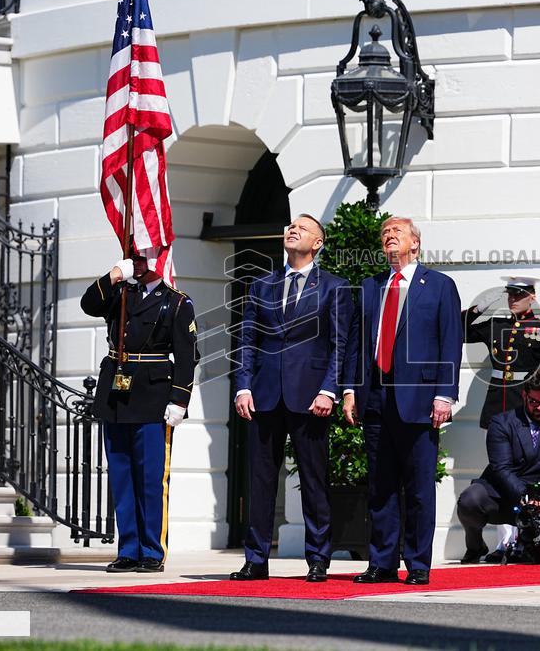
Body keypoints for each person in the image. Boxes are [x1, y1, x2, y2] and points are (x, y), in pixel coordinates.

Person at [229, 214, 354, 583]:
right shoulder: (261, 285)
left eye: (302, 227)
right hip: (264, 396)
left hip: (311, 396)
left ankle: (318, 557)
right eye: (289, 226)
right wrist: (243, 386)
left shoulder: (334, 286)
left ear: (317, 243)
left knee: (314, 481)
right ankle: (256, 559)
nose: (292, 229)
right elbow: (247, 340)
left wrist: (329, 389)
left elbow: (339, 344)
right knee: (261, 481)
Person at [342, 216, 463, 586]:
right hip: (376, 396)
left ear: (415, 243)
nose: (388, 236)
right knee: (380, 486)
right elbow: (357, 344)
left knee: (419, 488)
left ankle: (418, 565)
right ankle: (381, 563)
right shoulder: (370, 286)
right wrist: (350, 388)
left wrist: (445, 394)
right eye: (384, 233)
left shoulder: (439, 286)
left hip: (420, 399)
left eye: (396, 231)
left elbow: (450, 341)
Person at [80, 254, 200, 573]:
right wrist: (114, 275)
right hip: (117, 394)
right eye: (134, 255)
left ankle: (151, 549)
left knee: (150, 480)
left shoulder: (176, 303)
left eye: (145, 255)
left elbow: (188, 357)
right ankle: (129, 549)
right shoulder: (120, 293)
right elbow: (88, 304)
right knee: (121, 476)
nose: (138, 261)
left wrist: (180, 400)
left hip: (152, 396)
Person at [456, 370, 540, 564]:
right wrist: (526, 494)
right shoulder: (502, 423)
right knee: (469, 501)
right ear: (524, 396)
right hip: (503, 493)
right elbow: (502, 468)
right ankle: (475, 545)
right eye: (534, 402)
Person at [462, 277, 540, 428]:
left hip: (525, 402)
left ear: (532, 296)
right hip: (495, 401)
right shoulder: (495, 325)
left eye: (519, 294)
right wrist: (477, 310)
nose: (513, 299)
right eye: (510, 294)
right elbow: (456, 331)